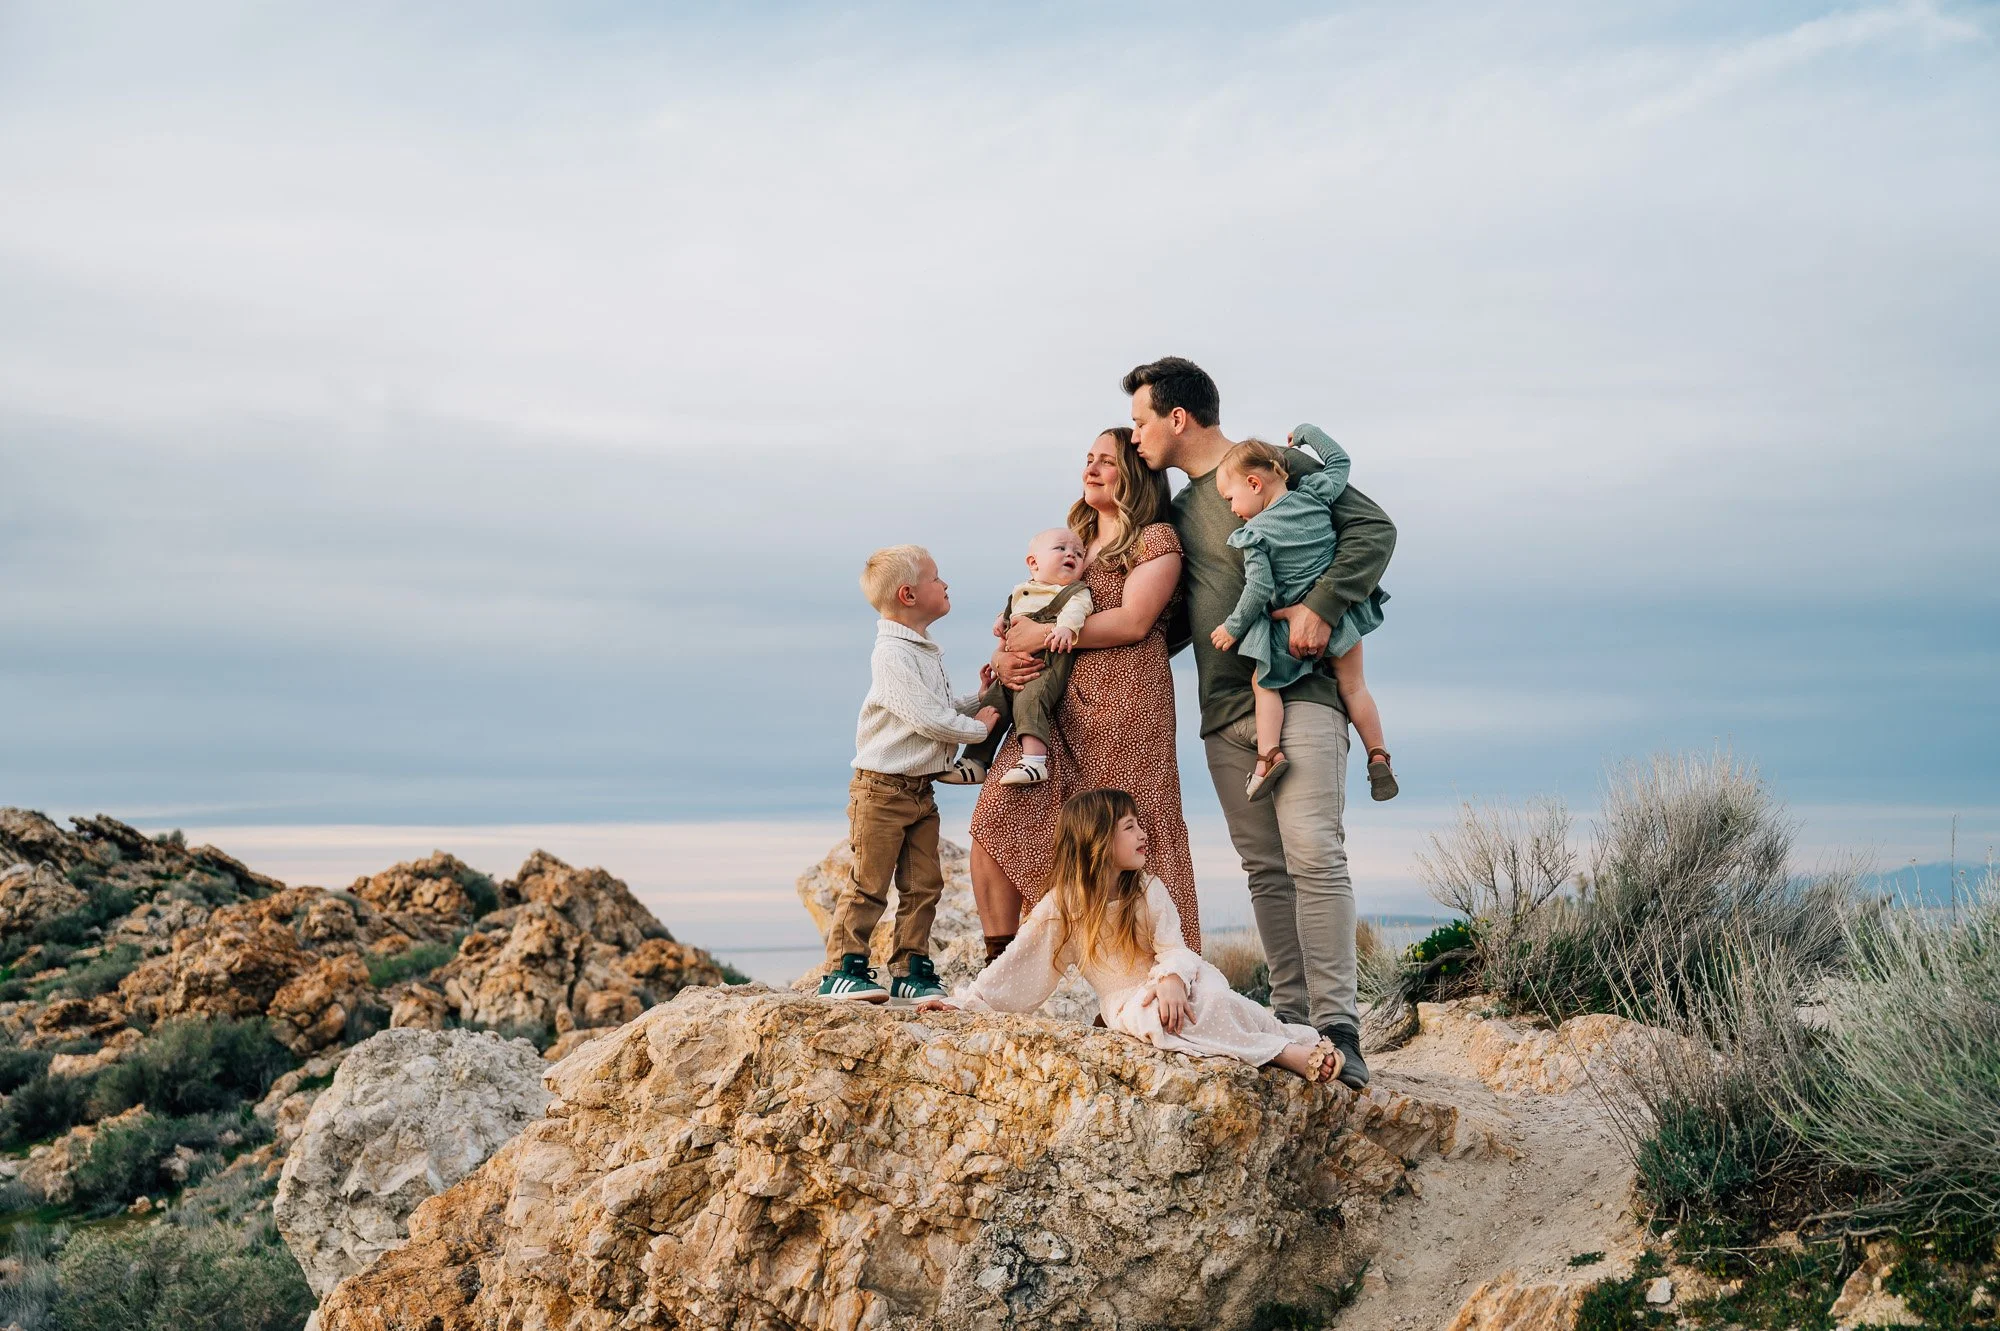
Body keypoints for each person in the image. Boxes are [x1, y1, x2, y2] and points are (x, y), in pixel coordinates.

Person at [1117, 356, 1396, 1089]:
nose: (1136, 435)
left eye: (1143, 420)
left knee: (1314, 856)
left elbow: (1374, 529)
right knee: (1267, 873)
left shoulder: (1272, 465)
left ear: (1178, 418)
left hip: (1301, 690)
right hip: (1223, 713)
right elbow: (1166, 620)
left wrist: (1322, 604)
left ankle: (1340, 1025)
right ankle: (1291, 1021)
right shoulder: (1174, 517)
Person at [920, 788, 1342, 1083]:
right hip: (1128, 998)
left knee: (1214, 998)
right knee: (1161, 1019)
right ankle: (1287, 1056)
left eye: (1139, 824)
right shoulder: (1063, 906)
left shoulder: (1146, 888)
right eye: (1129, 827)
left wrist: (1172, 978)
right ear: (1098, 840)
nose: (1143, 834)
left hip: (1177, 977)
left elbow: (1174, 946)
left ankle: (1285, 1038)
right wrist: (967, 1003)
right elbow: (1018, 966)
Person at [970, 429, 1200, 965]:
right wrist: (1008, 652)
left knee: (1132, 843)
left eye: (1107, 462)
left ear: (1135, 473)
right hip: (1052, 707)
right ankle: (999, 966)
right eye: (1088, 460)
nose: (1091, 470)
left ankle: (1151, 976)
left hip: (1126, 706)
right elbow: (1025, 606)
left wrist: (1041, 635)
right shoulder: (1069, 538)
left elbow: (1134, 621)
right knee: (997, 814)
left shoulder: (1154, 539)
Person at [818, 545, 999, 1003]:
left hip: (919, 791)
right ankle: (842, 969)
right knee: (869, 882)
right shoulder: (891, 655)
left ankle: (910, 969)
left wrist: (979, 699)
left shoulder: (921, 650)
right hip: (879, 790)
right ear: (909, 594)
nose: (945, 585)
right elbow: (927, 719)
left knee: (924, 884)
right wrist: (981, 729)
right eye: (937, 578)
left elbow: (940, 706)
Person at [1210, 432, 1396, 803]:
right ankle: (1378, 755)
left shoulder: (1255, 534)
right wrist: (1310, 433)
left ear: (1254, 483)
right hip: (1338, 620)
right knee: (1355, 686)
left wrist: (1233, 628)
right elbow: (1340, 462)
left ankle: (1269, 755)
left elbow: (1258, 590)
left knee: (1264, 684)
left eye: (1231, 499)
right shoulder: (1314, 495)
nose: (1232, 509)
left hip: (1289, 631)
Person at [946, 528, 1095, 788]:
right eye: (1060, 549)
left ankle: (1034, 761)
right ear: (1033, 563)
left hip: (1046, 664)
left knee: (1031, 699)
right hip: (1012, 667)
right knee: (993, 704)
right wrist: (1001, 623)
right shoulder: (1022, 591)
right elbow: (1011, 613)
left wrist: (1065, 628)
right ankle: (976, 761)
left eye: (1079, 554)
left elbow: (1078, 610)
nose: (1070, 554)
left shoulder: (1074, 592)